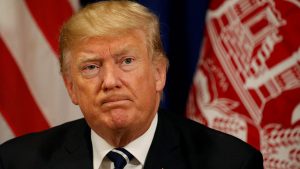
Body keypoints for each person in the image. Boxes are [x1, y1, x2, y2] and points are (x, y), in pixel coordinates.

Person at [0, 1, 264, 169]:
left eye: (126, 61)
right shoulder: (17, 161)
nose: (111, 81)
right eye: (91, 67)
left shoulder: (229, 162)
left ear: (159, 73)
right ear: (71, 87)